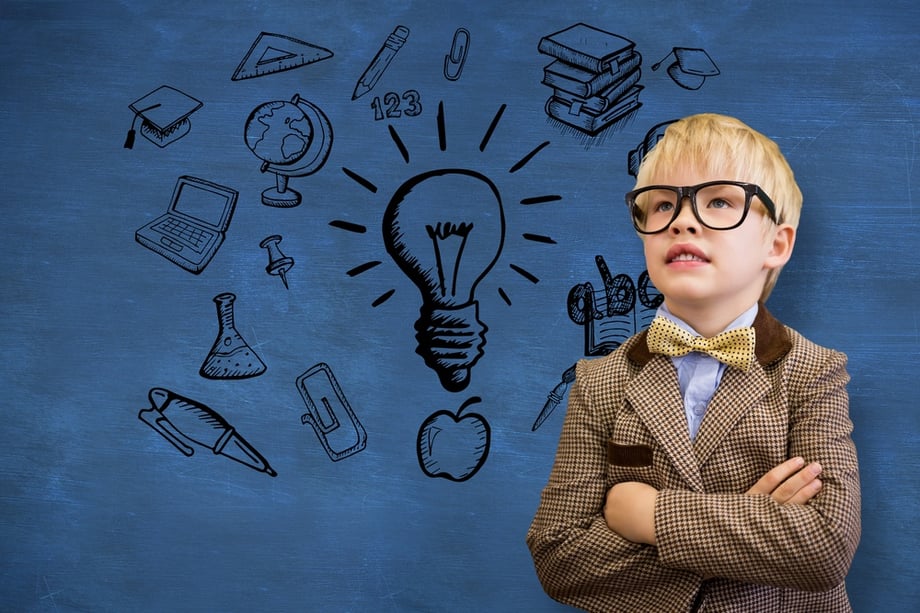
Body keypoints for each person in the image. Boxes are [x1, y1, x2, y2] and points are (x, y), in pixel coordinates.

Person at [526, 113, 860, 612]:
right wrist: (753, 527)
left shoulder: (814, 372)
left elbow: (823, 547)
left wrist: (652, 514)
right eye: (662, 204)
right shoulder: (601, 381)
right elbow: (559, 556)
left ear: (777, 244)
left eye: (720, 201)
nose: (682, 219)